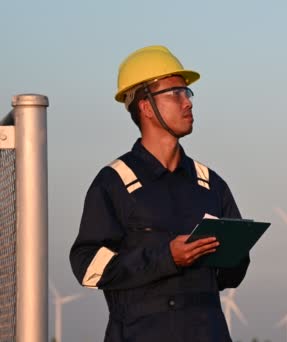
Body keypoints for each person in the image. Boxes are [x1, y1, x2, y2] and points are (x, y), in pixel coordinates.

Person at [70, 45, 249, 342]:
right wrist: (167, 257)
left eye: (188, 93)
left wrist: (235, 251)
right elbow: (88, 267)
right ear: (145, 106)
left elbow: (231, 275)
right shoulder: (114, 183)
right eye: (176, 93)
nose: (188, 103)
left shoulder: (211, 184)